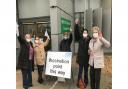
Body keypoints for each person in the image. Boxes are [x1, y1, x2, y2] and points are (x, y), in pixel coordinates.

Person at [16, 25, 34, 89]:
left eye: (29, 37)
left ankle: (30, 83)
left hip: (29, 61)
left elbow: (32, 51)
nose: (28, 38)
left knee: (29, 73)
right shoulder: (23, 42)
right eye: (27, 37)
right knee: (24, 74)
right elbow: (19, 38)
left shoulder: (31, 43)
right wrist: (17, 31)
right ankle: (25, 86)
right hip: (24, 62)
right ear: (25, 37)